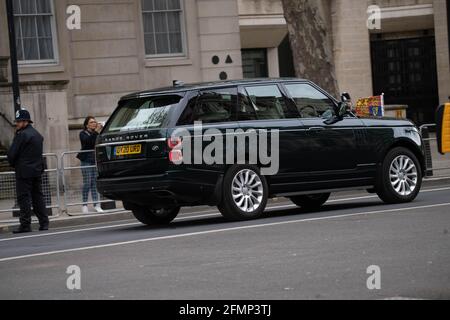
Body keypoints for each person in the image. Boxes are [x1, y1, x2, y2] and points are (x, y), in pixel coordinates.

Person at [7, 109, 49, 233]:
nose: (17, 124)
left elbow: (12, 154)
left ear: (25, 121)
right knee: (38, 197)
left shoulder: (21, 135)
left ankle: (25, 224)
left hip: (24, 172)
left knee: (23, 198)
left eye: (19, 121)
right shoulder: (37, 134)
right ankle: (44, 222)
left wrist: (13, 163)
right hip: (36, 170)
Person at [77, 116, 104, 214]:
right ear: (87, 124)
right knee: (87, 183)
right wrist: (96, 132)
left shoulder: (97, 133)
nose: (94, 123)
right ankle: (84, 205)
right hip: (86, 161)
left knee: (94, 183)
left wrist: (101, 130)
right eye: (92, 122)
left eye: (95, 122)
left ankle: (97, 204)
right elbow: (89, 142)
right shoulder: (83, 134)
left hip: (95, 160)